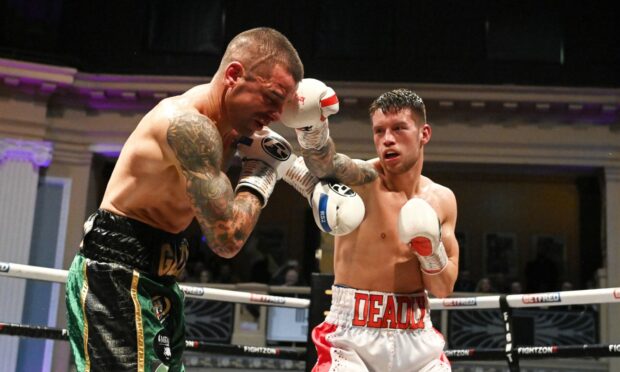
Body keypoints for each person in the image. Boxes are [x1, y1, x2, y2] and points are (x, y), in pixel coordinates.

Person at [65, 27, 303, 372]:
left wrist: (314, 138)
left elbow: (306, 174)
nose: (276, 114)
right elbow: (226, 239)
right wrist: (259, 176)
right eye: (271, 98)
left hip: (162, 273)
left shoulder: (236, 128)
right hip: (117, 271)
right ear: (234, 75)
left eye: (281, 105)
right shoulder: (188, 127)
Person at [282, 86, 458, 370]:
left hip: (416, 334)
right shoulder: (362, 178)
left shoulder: (442, 199)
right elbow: (324, 162)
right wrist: (312, 129)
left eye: (399, 128)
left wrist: (429, 251)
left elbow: (443, 288)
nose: (387, 139)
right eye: (379, 131)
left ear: (424, 134)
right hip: (351, 336)